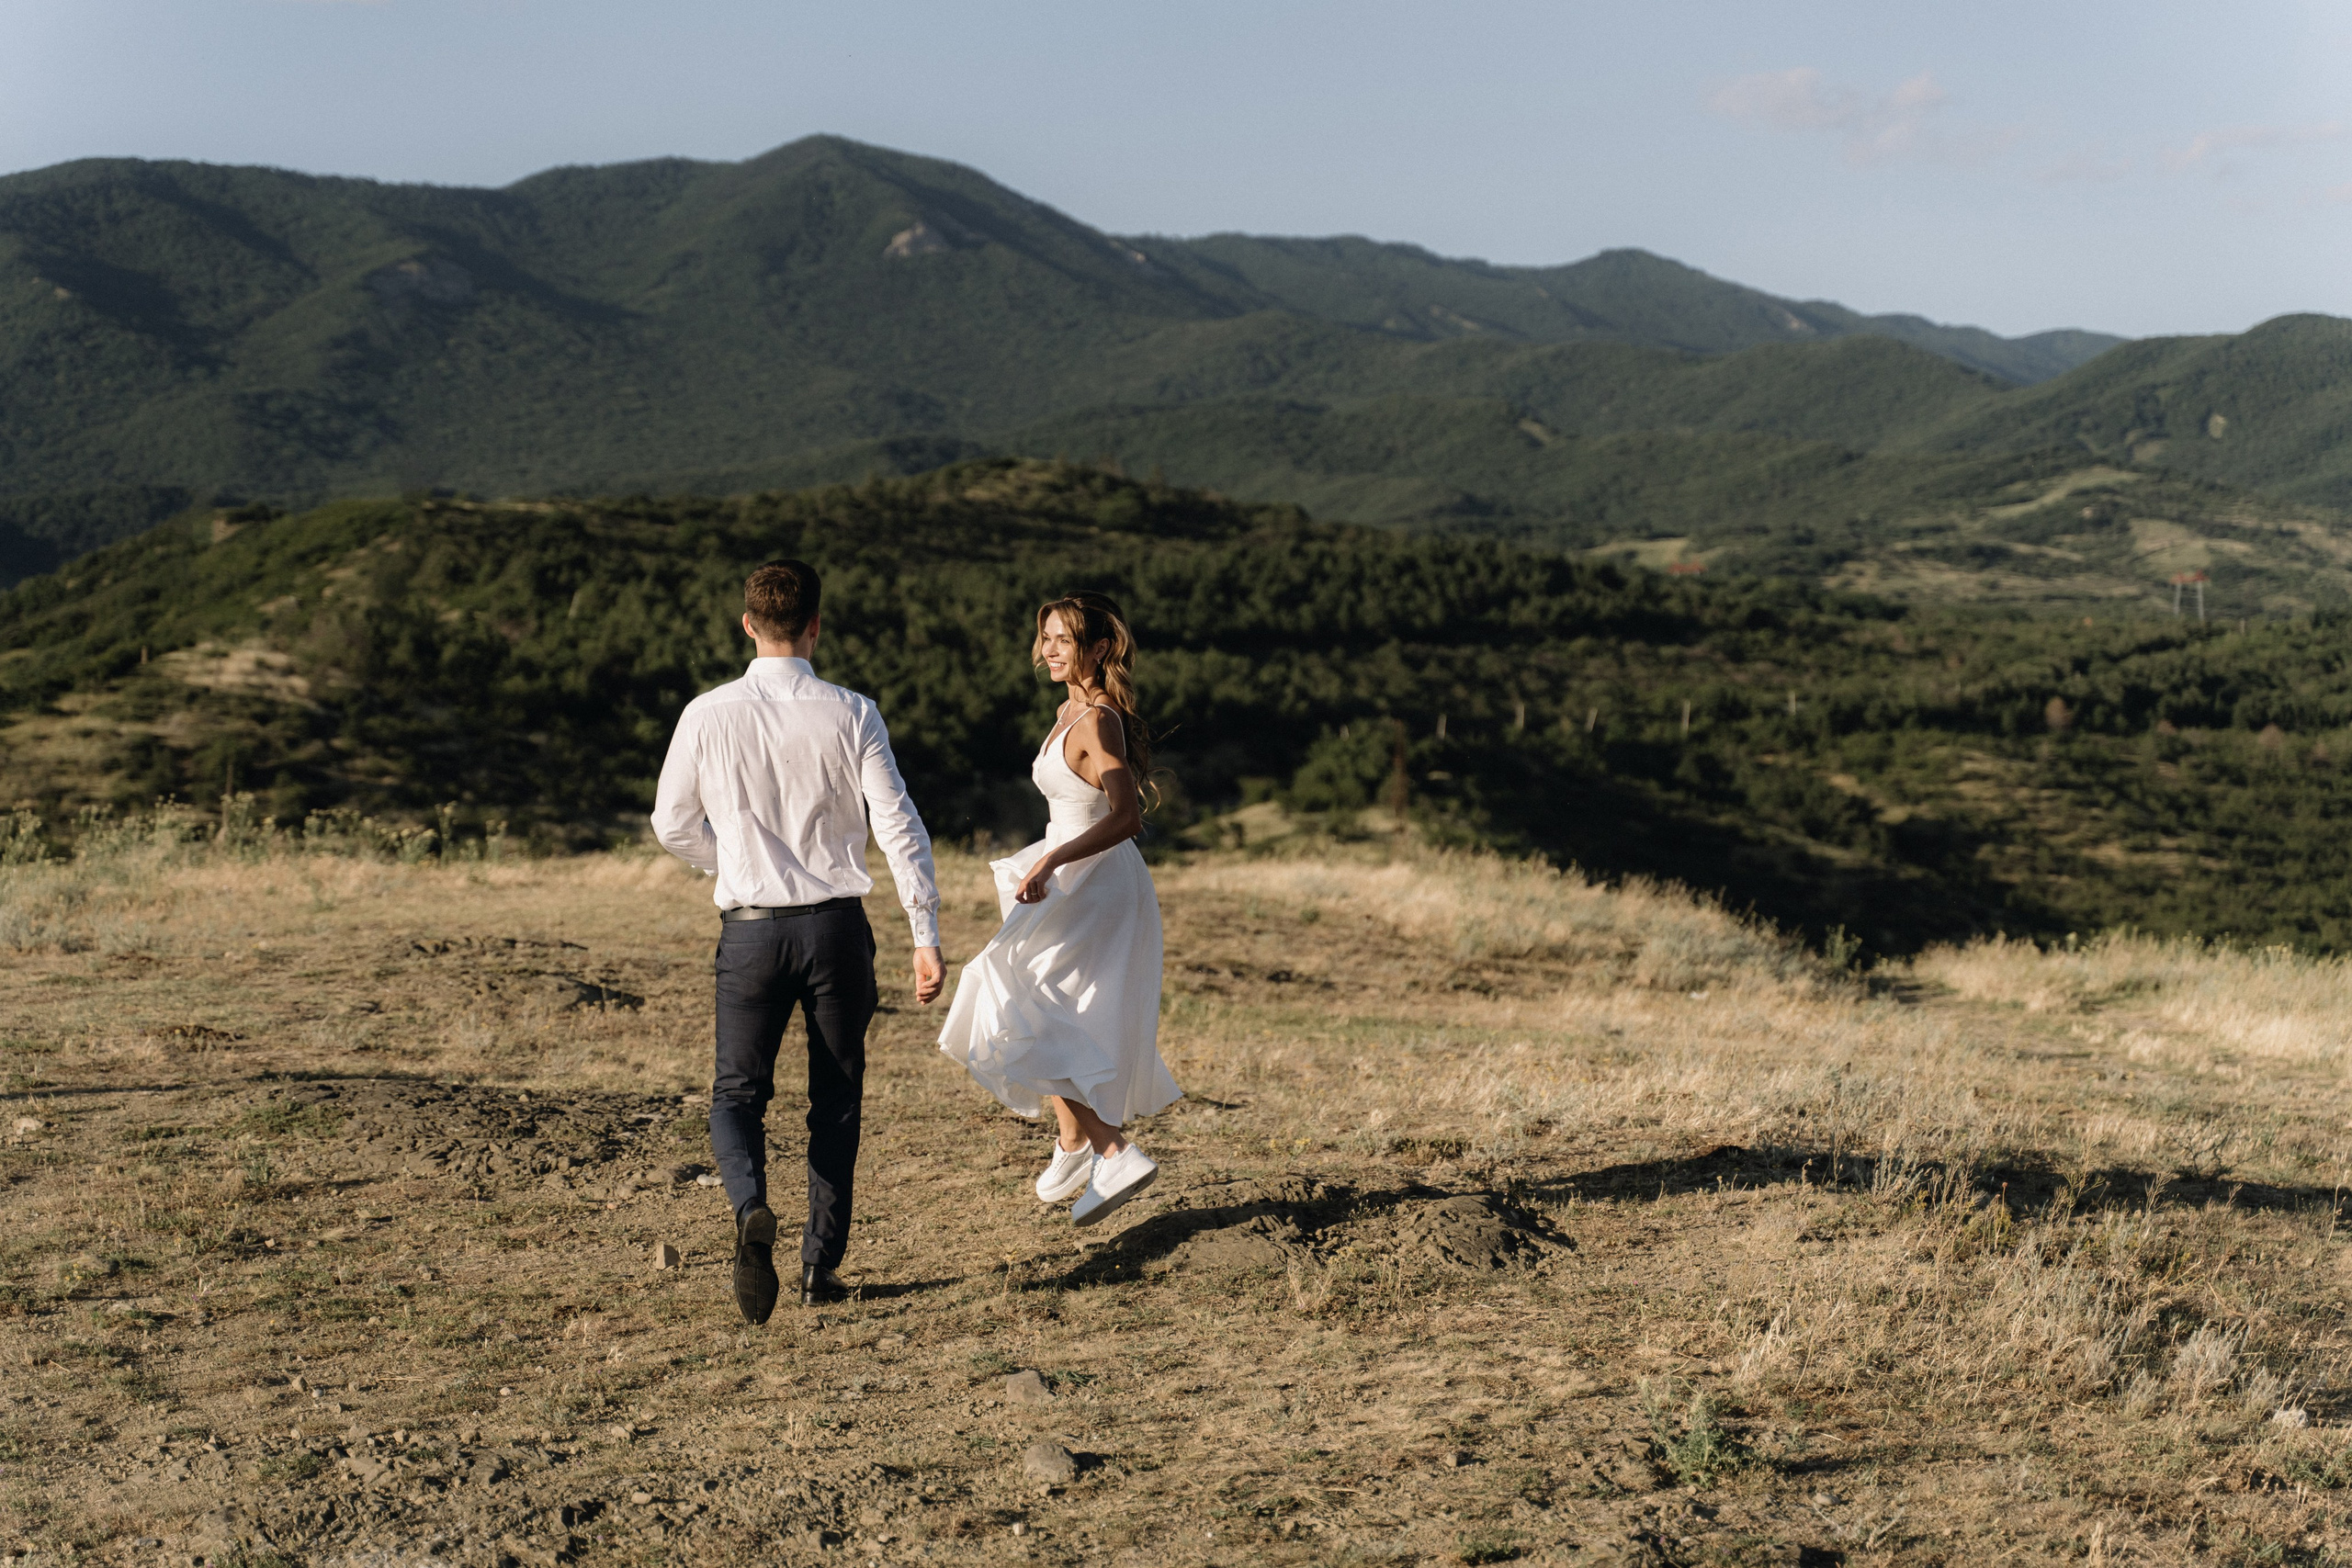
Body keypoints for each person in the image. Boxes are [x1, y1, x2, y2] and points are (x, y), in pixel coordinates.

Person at [651, 559, 945, 1324]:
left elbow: (670, 823)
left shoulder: (706, 713)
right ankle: (819, 1265)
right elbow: (898, 826)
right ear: (816, 624)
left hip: (749, 931)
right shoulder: (853, 712)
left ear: (748, 623)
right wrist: (925, 932)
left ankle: (750, 1204)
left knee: (735, 1093)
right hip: (837, 928)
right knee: (836, 1097)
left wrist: (735, 863)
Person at [937, 592, 1182, 1226]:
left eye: (1063, 639)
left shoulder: (1098, 720)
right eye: (1044, 636)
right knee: (1043, 1003)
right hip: (1068, 871)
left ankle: (1111, 1149)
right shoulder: (1065, 710)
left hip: (1094, 881)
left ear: (1098, 649)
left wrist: (1050, 862)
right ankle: (1075, 1142)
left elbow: (1127, 818)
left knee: (1014, 992)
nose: (1047, 649)